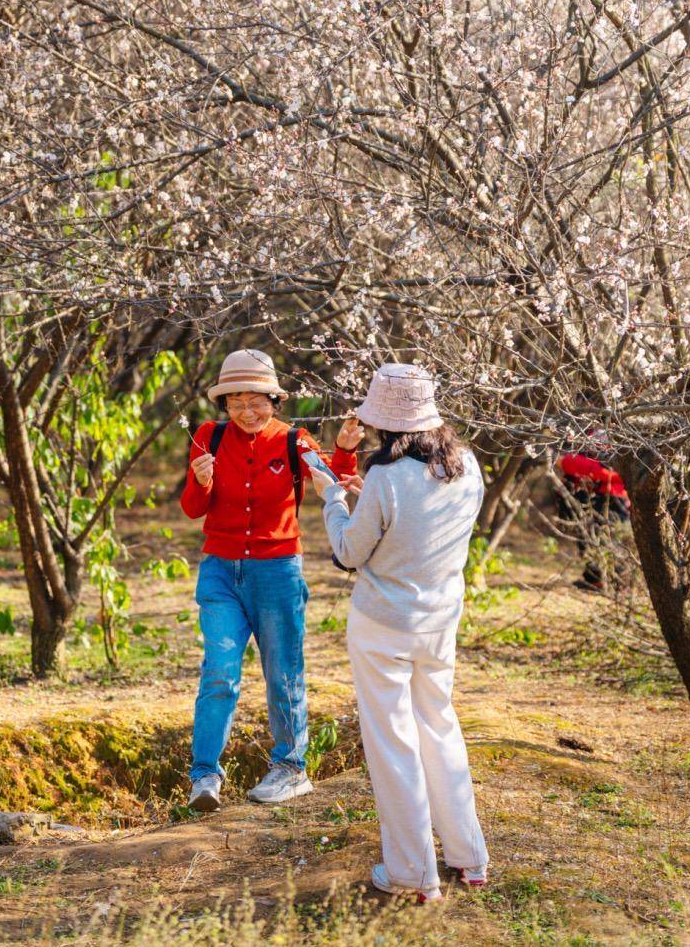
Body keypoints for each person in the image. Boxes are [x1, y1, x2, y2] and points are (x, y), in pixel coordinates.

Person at [306, 363, 489, 905]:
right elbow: (421, 529)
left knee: (393, 744)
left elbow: (349, 552)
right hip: (439, 622)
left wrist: (333, 499)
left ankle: (412, 872)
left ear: (385, 423)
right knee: (440, 727)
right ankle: (469, 857)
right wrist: (371, 500)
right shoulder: (468, 467)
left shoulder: (387, 477)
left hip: (383, 626)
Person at [180, 348, 363, 812]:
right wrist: (201, 480)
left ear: (274, 401)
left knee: (283, 672)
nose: (247, 412)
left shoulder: (294, 440)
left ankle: (290, 767)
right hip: (220, 570)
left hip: (277, 570)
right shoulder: (208, 437)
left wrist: (345, 450)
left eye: (257, 402)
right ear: (224, 404)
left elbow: (333, 479)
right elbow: (192, 508)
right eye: (237, 402)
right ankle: (204, 776)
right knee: (219, 673)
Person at [555, 442, 630, 590]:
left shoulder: (618, 442)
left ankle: (611, 580)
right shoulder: (587, 438)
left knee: (608, 539)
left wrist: (601, 474)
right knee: (591, 537)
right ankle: (596, 579)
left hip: (613, 496)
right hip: (596, 494)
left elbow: (617, 474)